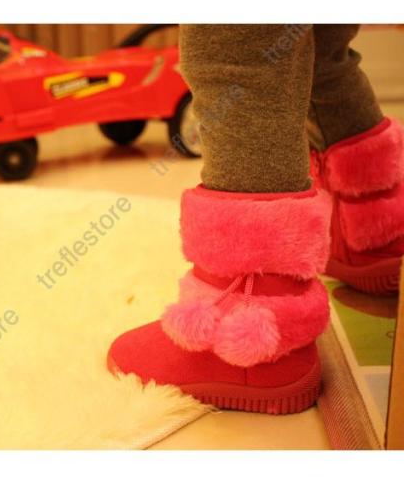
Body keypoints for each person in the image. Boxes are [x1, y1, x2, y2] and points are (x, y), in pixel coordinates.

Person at [107, 25, 404, 415]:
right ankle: (369, 222)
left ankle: (251, 325)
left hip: (246, 339)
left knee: (236, 56)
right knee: (316, 45)